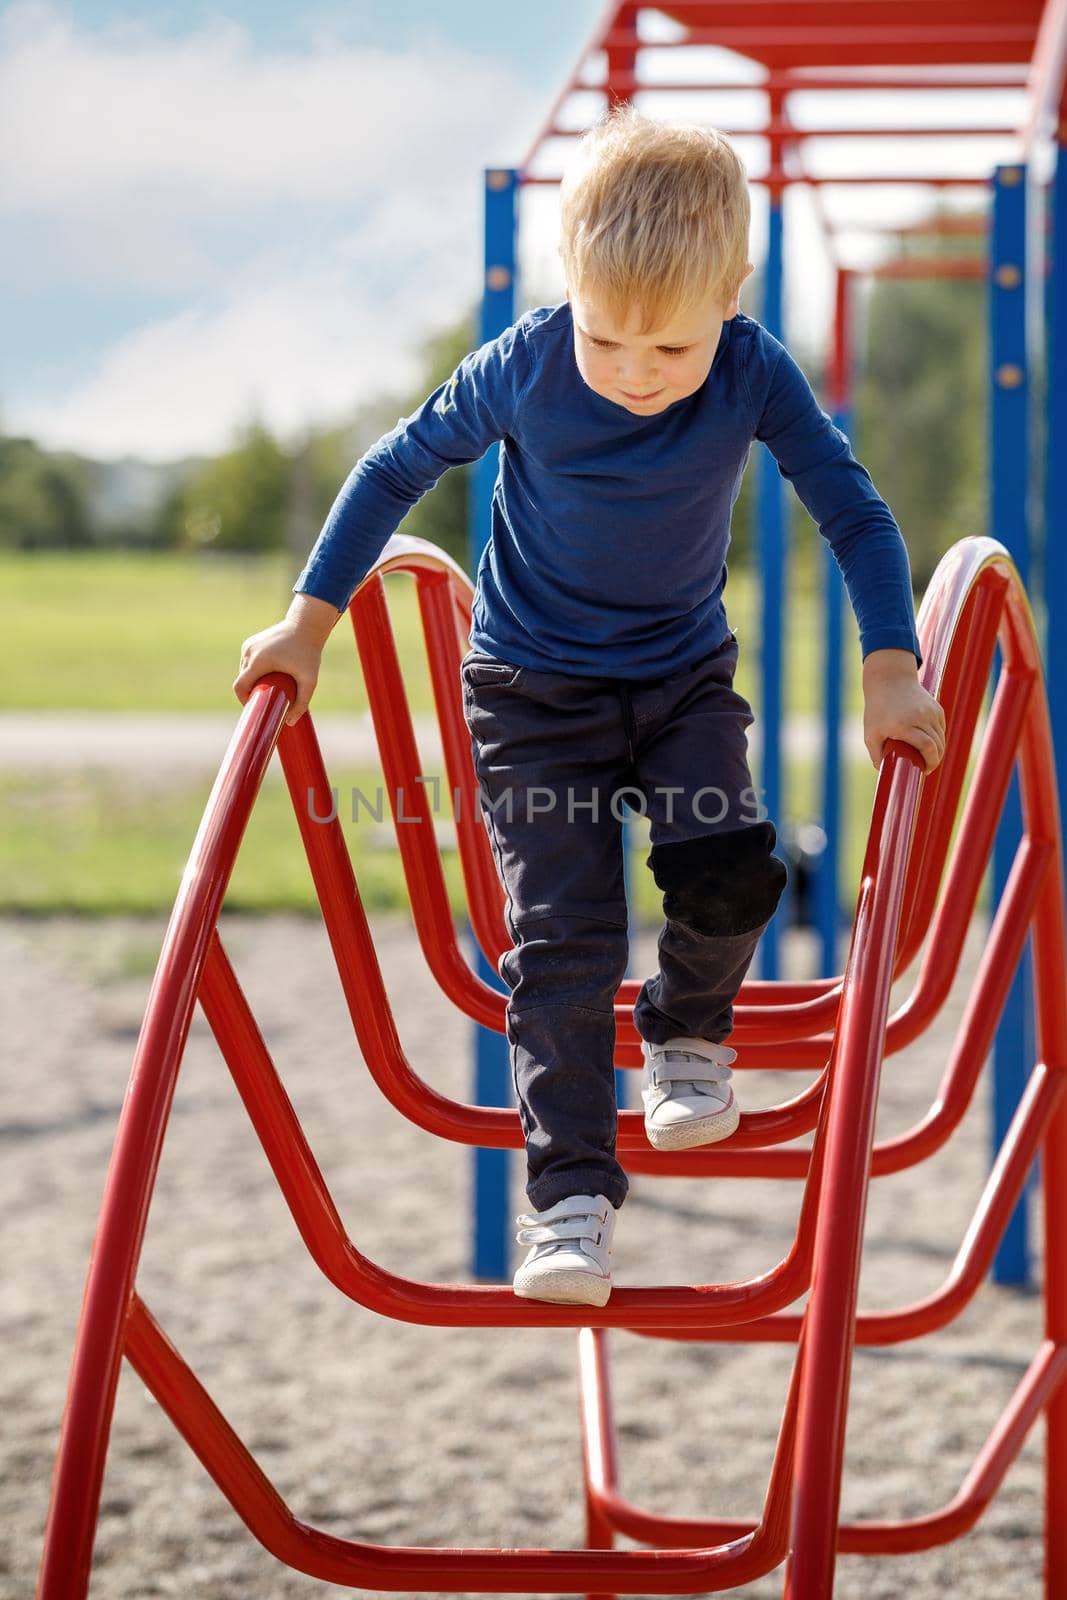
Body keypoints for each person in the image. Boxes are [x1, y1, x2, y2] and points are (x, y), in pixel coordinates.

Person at [233, 105, 947, 1309]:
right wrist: (310, 619)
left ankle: (683, 1031)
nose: (630, 374)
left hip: (677, 680)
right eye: (606, 338)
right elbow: (393, 468)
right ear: (572, 290)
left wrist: (888, 658)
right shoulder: (525, 364)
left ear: (731, 298)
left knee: (730, 867)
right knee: (563, 938)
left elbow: (854, 511)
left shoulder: (749, 372)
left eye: (667, 352)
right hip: (531, 694)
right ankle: (567, 1203)